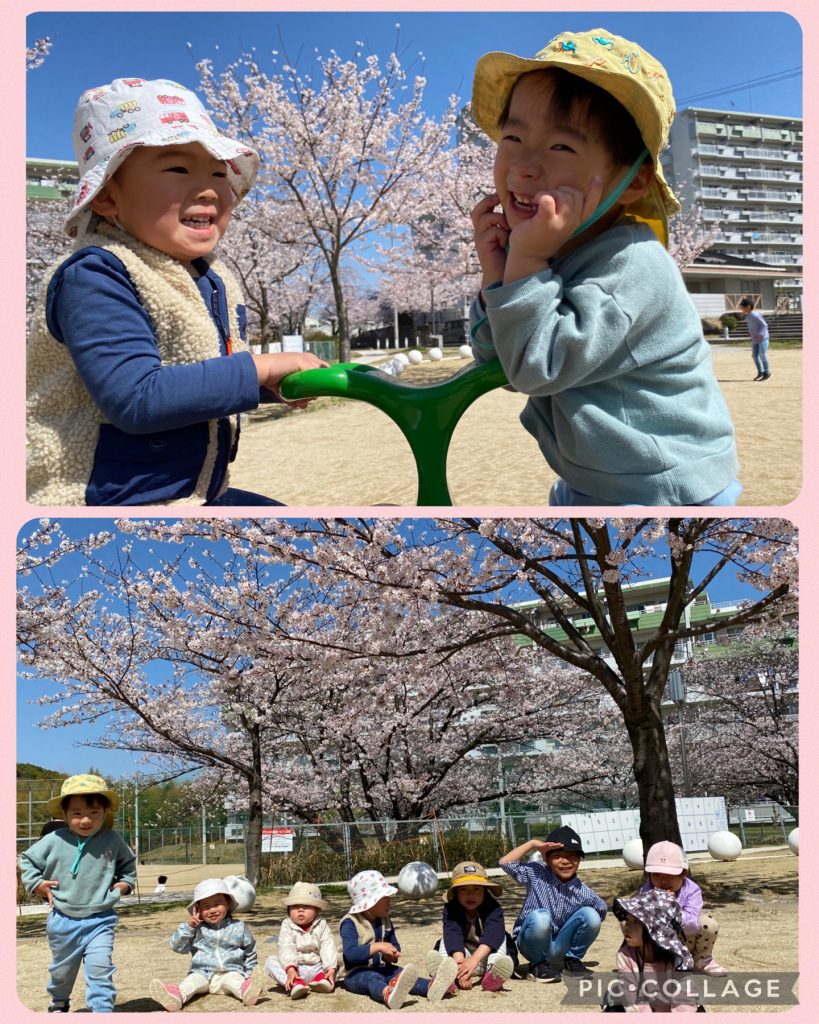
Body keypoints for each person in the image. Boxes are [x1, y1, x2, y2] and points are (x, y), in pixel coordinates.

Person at [468, 29, 741, 506]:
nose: (525, 166)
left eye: (561, 148)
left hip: (665, 485)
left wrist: (526, 262)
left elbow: (536, 367)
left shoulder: (631, 264)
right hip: (600, 478)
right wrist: (499, 275)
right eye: (512, 136)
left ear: (633, 181)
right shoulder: (554, 251)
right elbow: (503, 361)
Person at [27, 76, 327, 507]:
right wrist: (259, 368)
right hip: (107, 499)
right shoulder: (97, 275)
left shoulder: (206, 278)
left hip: (194, 488)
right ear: (107, 198)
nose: (207, 189)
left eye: (219, 172)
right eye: (178, 169)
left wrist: (270, 384)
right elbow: (137, 397)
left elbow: (197, 376)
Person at [18, 773, 137, 1013]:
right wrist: (37, 884)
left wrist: (125, 884)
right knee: (62, 971)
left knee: (100, 969)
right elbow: (26, 861)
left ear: (105, 813)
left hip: (101, 918)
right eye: (77, 813)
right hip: (63, 920)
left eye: (94, 813)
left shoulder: (112, 839)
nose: (86, 820)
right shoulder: (54, 839)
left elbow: (128, 866)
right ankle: (59, 1002)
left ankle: (101, 1011)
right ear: (64, 815)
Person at [499, 826, 607, 982]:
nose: (565, 861)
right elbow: (505, 863)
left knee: (591, 915)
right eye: (558, 856)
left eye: (572, 856)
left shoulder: (583, 891)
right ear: (546, 859)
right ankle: (537, 965)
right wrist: (533, 844)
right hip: (530, 941)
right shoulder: (537, 874)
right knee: (541, 917)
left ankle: (572, 960)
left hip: (559, 946)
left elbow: (601, 910)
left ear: (579, 860)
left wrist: (575, 927)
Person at [339, 869, 458, 1008]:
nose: (390, 901)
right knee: (372, 979)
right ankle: (387, 993)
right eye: (385, 898)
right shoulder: (350, 923)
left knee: (402, 975)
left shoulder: (385, 920)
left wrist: (392, 955)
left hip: (382, 967)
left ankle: (431, 987)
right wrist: (378, 947)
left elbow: (394, 944)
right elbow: (351, 954)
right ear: (370, 902)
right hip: (355, 973)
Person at [149, 877, 262, 1010]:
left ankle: (246, 992)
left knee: (236, 981)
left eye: (217, 904)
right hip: (202, 972)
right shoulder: (196, 929)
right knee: (190, 983)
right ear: (198, 910)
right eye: (206, 906)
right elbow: (176, 946)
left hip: (230, 971)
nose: (212, 910)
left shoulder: (239, 927)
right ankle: (176, 997)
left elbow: (250, 951)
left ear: (228, 904)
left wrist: (249, 973)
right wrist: (189, 927)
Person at [427, 860, 518, 992]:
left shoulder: (493, 907)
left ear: (485, 890)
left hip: (486, 956)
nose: (470, 895)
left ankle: (493, 974)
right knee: (444, 940)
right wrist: (461, 966)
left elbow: (493, 934)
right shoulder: (451, 908)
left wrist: (474, 959)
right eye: (463, 889)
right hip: (464, 955)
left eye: (476, 889)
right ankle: (448, 974)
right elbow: (453, 934)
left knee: (501, 936)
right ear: (456, 892)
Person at [639, 841, 726, 975]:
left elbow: (692, 925)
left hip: (686, 940)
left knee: (709, 924)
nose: (663, 880)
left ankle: (702, 960)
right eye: (656, 874)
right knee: (629, 923)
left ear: (683, 873)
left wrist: (673, 907)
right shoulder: (647, 889)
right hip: (660, 945)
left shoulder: (691, 890)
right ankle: (656, 962)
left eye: (670, 874)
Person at [605, 889, 699, 1012]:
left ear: (657, 930)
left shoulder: (678, 960)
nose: (627, 926)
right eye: (627, 919)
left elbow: (684, 999)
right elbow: (632, 998)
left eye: (636, 922)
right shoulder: (626, 956)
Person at [265, 881, 339, 999]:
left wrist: (330, 968)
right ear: (288, 910)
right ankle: (295, 983)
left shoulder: (321, 924)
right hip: (297, 969)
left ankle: (324, 979)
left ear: (316, 910)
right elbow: (286, 946)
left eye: (306, 906)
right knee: (270, 961)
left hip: (318, 967)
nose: (300, 909)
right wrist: (290, 969)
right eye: (295, 906)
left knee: (340, 959)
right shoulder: (287, 925)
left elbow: (327, 945)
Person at [738, 297, 771, 380]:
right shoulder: (748, 316)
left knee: (762, 354)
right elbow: (753, 326)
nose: (741, 309)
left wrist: (760, 334)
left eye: (742, 307)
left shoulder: (755, 315)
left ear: (748, 306)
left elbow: (764, 325)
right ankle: (760, 372)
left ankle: (767, 372)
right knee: (754, 356)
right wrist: (750, 332)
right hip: (755, 339)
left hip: (763, 338)